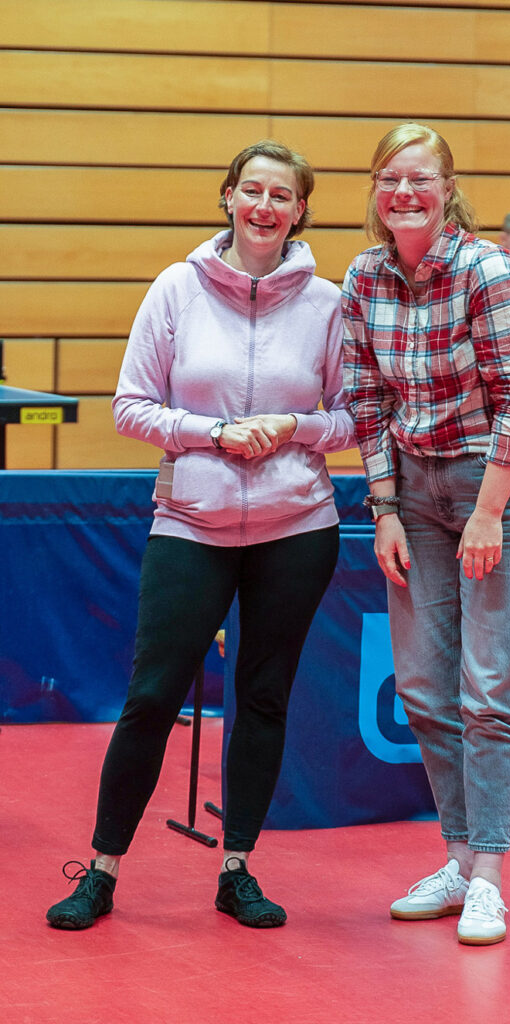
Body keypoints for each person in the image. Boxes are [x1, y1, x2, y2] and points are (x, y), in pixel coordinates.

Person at [46, 140, 355, 931]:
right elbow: (129, 405)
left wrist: (290, 425)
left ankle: (237, 868)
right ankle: (103, 870)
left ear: (299, 212)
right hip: (189, 523)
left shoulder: (326, 303)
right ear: (226, 197)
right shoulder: (176, 289)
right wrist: (214, 434)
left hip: (298, 526)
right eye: (250, 190)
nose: (264, 207)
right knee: (150, 697)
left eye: (280, 196)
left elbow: (355, 415)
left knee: (262, 698)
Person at [341, 124, 510, 946]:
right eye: (389, 178)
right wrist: (386, 508)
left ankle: (490, 883)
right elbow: (366, 398)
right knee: (425, 692)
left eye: (420, 179)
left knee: (487, 691)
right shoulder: (364, 275)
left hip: (505, 485)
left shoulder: (488, 271)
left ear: (446, 187)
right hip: (417, 492)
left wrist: (488, 512)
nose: (404, 192)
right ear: (375, 188)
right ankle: (459, 858)